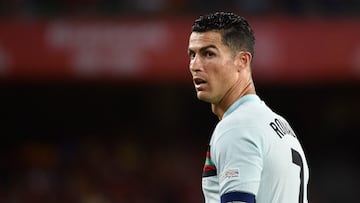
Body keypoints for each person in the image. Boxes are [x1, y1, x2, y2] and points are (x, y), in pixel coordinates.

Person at [187, 12, 309, 203]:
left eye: (208, 54)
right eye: (192, 54)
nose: (195, 65)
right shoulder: (278, 124)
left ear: (242, 61)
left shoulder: (237, 126)